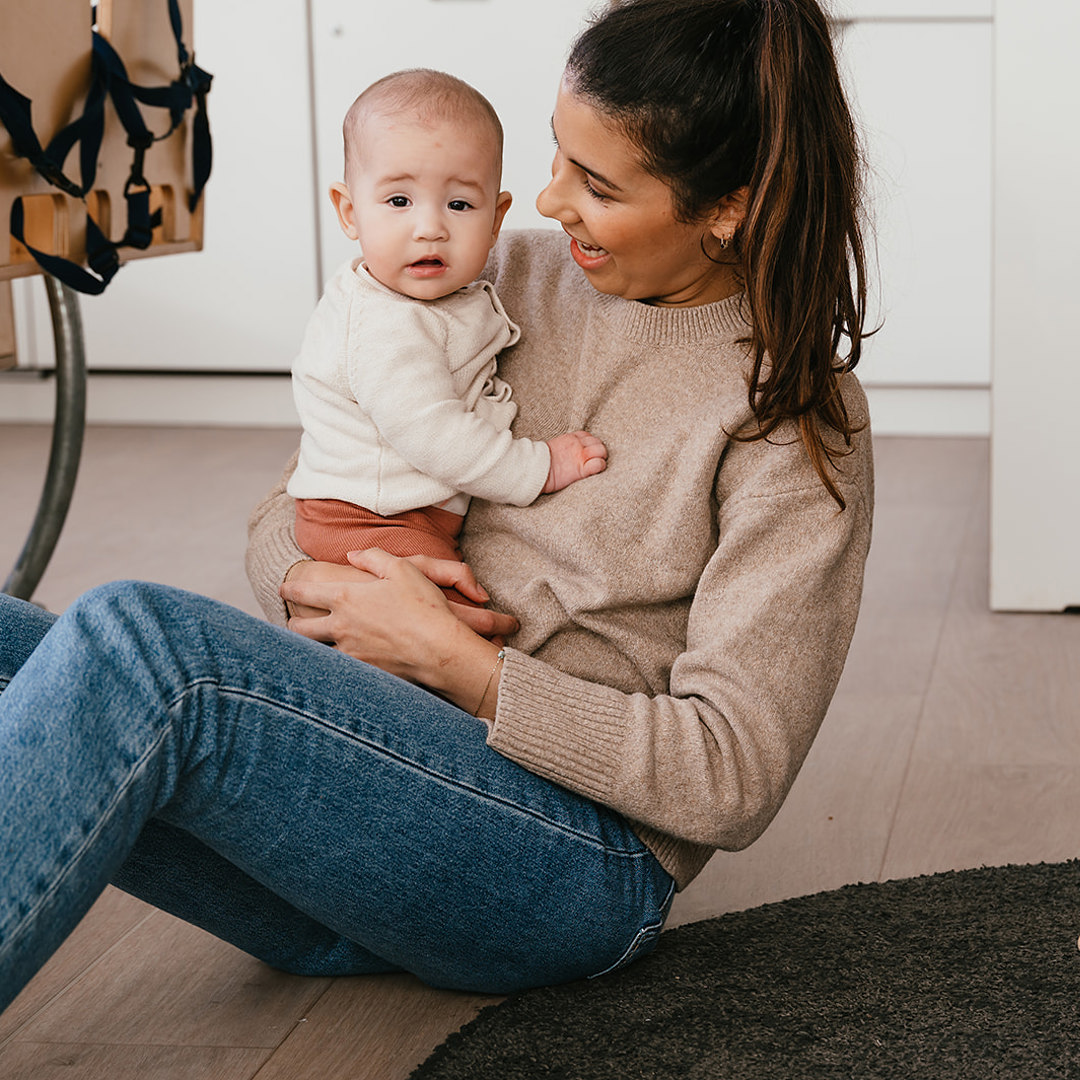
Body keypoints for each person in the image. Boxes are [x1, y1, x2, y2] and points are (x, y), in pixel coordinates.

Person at [0, 0, 874, 1011]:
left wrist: (459, 664)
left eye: (596, 184)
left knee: (142, 644)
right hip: (375, 821)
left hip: (573, 863)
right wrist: (324, 580)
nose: (544, 202)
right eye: (556, 155)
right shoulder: (489, 271)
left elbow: (731, 774)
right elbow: (290, 506)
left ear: (731, 203)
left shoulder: (793, 419)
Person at [288, 69, 607, 607]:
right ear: (348, 210)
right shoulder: (381, 325)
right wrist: (540, 466)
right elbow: (437, 435)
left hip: (402, 510)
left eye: (459, 205)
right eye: (398, 202)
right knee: (444, 613)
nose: (430, 227)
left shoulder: (442, 296)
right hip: (367, 518)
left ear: (496, 218)